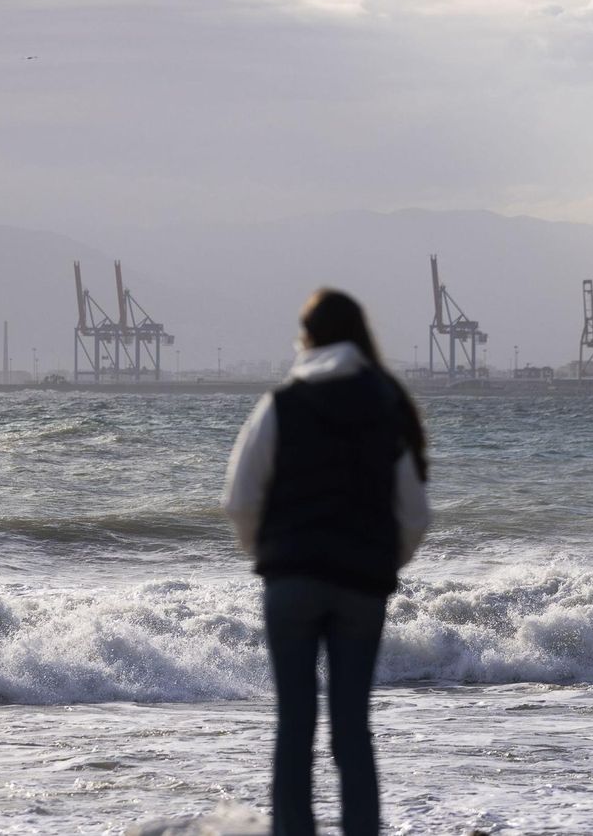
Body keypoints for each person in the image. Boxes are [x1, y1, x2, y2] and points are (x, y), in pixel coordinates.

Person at [223, 288, 430, 836]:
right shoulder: (386, 404)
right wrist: (384, 564)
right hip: (361, 586)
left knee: (294, 726)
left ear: (307, 337)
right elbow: (414, 513)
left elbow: (240, 499)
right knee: (352, 729)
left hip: (290, 582)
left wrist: (270, 555)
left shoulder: (281, 403)